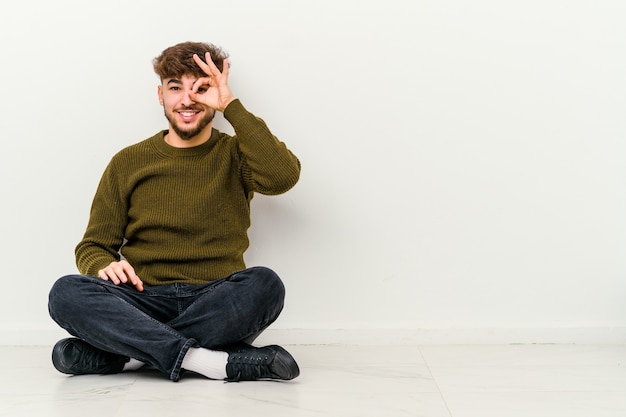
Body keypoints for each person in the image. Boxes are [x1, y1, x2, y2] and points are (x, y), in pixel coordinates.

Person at [48, 41, 301, 382]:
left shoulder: (235, 154)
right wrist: (103, 264)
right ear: (160, 95)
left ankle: (129, 356)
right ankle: (210, 362)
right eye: (175, 88)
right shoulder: (129, 162)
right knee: (66, 292)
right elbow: (92, 246)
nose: (186, 100)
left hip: (214, 298)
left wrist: (231, 106)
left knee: (265, 285)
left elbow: (283, 177)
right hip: (142, 298)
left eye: (201, 88)